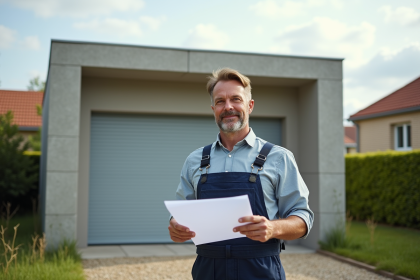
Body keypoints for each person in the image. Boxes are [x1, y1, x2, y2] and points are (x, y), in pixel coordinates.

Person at [168, 68, 314, 280]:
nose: (228, 107)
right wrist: (175, 226)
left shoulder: (279, 158)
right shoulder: (195, 161)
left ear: (250, 105)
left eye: (236, 99)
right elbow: (180, 214)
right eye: (220, 101)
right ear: (213, 109)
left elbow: (303, 218)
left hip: (261, 271)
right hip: (209, 271)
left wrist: (273, 228)